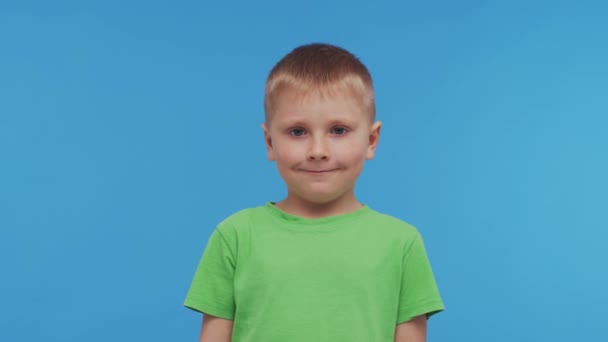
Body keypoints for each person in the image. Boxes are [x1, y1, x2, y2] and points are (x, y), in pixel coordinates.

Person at [184, 43, 444, 342]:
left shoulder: (402, 244)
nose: (317, 151)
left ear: (371, 140)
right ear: (269, 142)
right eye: (298, 131)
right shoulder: (235, 237)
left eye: (338, 130)